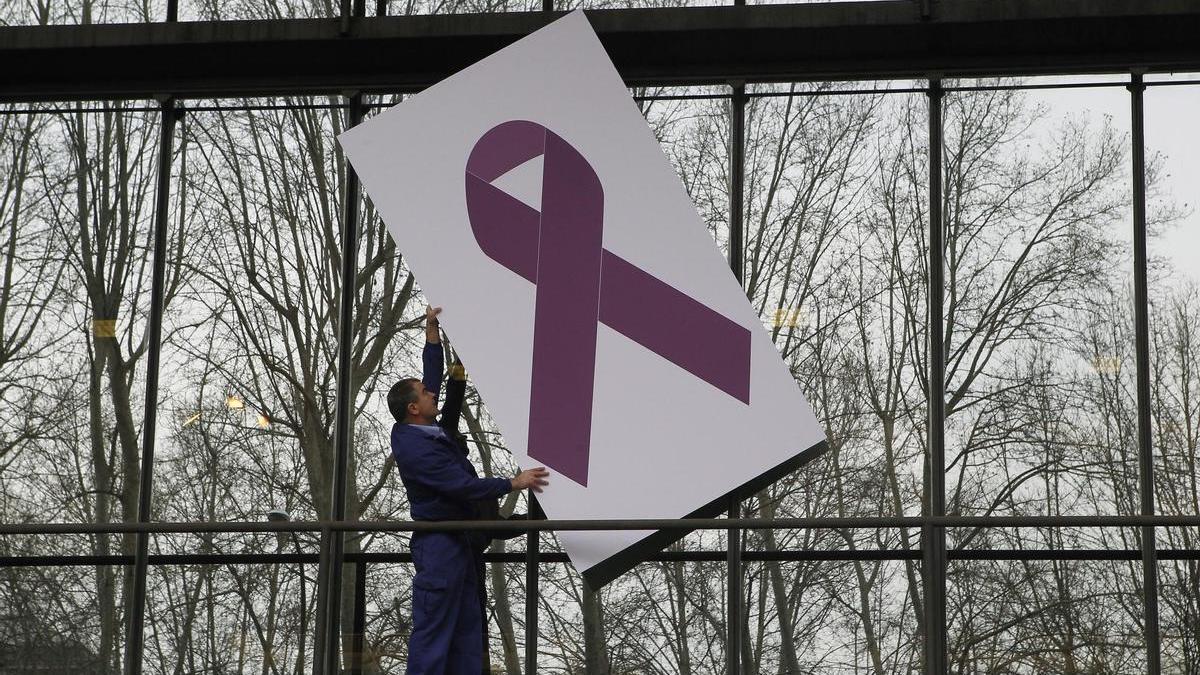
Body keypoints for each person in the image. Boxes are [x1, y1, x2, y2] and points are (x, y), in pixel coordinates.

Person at [389, 306, 549, 675]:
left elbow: (431, 377)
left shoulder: (425, 428)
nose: (434, 393)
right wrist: (513, 482)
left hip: (459, 542)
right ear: (414, 408)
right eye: (427, 394)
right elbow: (461, 486)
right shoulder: (416, 449)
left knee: (466, 631)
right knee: (435, 632)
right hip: (441, 544)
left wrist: (432, 333)